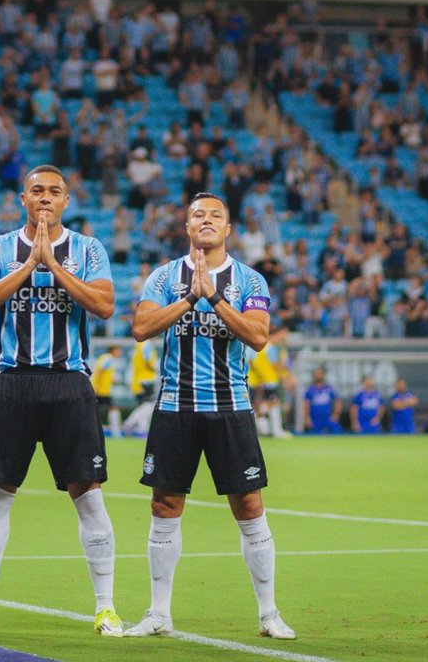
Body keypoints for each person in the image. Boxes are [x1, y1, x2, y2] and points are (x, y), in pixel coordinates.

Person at [0, 165, 124, 638]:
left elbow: (104, 304)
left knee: (88, 496)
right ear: (22, 199)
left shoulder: (88, 249)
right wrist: (32, 263)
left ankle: (106, 608)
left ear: (66, 201)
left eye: (54, 192)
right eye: (37, 191)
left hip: (69, 383)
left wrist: (53, 264)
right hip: (11, 382)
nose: (45, 198)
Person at [125, 192, 294, 641]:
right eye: (197, 214)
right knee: (164, 506)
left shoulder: (250, 281)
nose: (206, 220)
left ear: (228, 229)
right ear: (186, 226)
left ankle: (268, 613)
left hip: (230, 408)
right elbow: (141, 328)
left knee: (249, 506)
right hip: (174, 407)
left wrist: (214, 298)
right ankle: (159, 613)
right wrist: (189, 299)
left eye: (215, 215)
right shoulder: (163, 277)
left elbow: (258, 337)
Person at [92, 344, 123, 437]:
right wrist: (97, 385)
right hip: (102, 390)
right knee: (113, 408)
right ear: (113, 350)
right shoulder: (108, 358)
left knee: (96, 410)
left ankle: (114, 431)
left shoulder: (105, 358)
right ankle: (116, 432)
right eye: (118, 350)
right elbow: (100, 371)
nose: (120, 352)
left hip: (101, 389)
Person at [303, 366, 342, 433]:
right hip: (315, 419)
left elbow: (337, 401)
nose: (318, 375)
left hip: (328, 418)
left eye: (320, 373)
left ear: (323, 375)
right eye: (317, 374)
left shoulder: (329, 389)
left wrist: (336, 414)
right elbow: (306, 404)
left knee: (337, 432)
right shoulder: (310, 390)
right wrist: (307, 418)